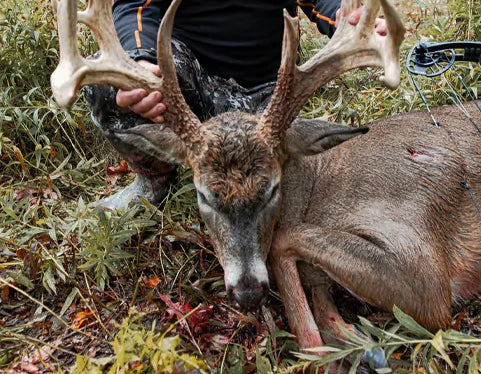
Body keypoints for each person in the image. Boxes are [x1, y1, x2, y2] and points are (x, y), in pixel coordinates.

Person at [85, 0, 387, 210]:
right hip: (191, 84)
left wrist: (351, 22)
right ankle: (154, 182)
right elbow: (137, 5)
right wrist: (141, 59)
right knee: (110, 83)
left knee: (281, 185)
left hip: (270, 90)